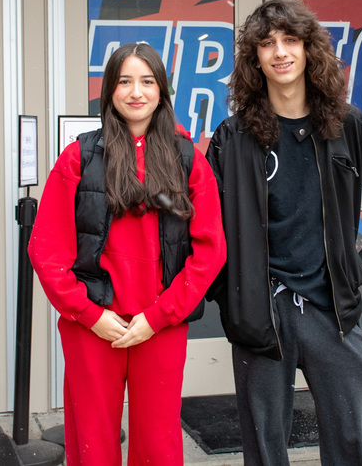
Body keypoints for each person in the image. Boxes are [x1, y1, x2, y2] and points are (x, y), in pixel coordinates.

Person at [206, 0, 362, 466]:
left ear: (308, 49)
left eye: (290, 40)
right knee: (264, 449)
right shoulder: (233, 137)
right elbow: (203, 224)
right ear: (254, 58)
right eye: (267, 43)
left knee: (351, 445)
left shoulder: (346, 125)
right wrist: (230, 292)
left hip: (331, 311)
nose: (279, 52)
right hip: (262, 314)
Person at [28, 42, 226, 465]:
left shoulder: (188, 159)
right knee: (92, 441)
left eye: (147, 81)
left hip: (160, 324)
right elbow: (47, 251)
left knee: (158, 441)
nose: (136, 92)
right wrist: (89, 314)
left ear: (162, 91)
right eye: (125, 81)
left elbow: (210, 252)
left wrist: (159, 316)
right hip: (92, 324)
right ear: (110, 91)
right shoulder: (78, 157)